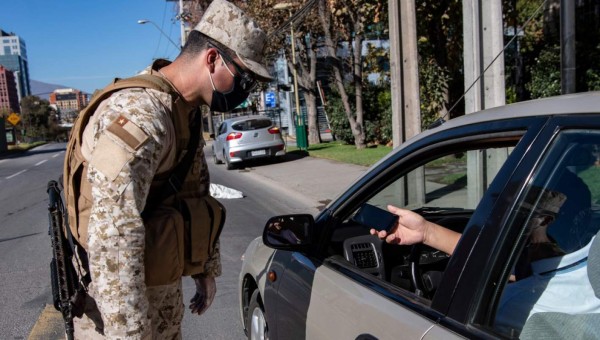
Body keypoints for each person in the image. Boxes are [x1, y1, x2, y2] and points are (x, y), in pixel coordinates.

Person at [65, 0, 272, 338]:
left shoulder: (183, 109)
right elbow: (114, 237)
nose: (245, 91)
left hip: (159, 291)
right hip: (117, 313)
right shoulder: (140, 116)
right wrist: (130, 334)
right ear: (211, 59)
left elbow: (194, 190)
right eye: (244, 78)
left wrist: (204, 268)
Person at [370, 184, 600, 334]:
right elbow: (506, 267)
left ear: (545, 220)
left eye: (512, 213)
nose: (495, 222)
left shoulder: (512, 304)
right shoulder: (585, 256)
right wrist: (427, 233)